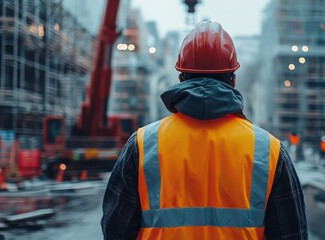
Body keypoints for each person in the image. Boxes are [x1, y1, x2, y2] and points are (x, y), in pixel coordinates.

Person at [101, 21, 307, 240]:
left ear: (181, 78)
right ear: (233, 80)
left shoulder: (143, 145)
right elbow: (292, 234)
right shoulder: (269, 151)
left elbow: (115, 231)